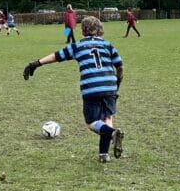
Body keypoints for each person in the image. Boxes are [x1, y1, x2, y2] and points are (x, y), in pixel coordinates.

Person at [23, 15, 124, 164]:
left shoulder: (78, 46)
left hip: (91, 88)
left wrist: (36, 64)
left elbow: (56, 56)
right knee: (107, 118)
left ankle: (112, 134)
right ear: (100, 29)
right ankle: (104, 154)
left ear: (82, 30)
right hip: (110, 87)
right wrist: (117, 81)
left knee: (91, 122)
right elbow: (119, 66)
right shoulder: (108, 45)